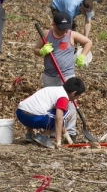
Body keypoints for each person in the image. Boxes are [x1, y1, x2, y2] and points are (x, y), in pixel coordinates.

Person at [33, 12, 92, 142]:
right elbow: (36, 49)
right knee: (51, 104)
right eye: (61, 28)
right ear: (53, 24)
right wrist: (42, 51)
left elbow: (88, 42)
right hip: (50, 75)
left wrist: (82, 55)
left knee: (69, 104)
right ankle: (53, 131)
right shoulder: (47, 34)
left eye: (66, 27)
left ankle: (70, 132)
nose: (63, 31)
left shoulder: (71, 34)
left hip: (67, 76)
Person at [16, 77, 86, 149]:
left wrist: (65, 133)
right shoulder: (63, 97)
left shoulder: (54, 90)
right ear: (74, 93)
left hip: (20, 113)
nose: (76, 99)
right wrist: (58, 141)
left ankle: (29, 135)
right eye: (78, 96)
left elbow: (31, 105)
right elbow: (59, 118)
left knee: (35, 107)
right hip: (34, 118)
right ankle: (43, 136)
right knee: (68, 114)